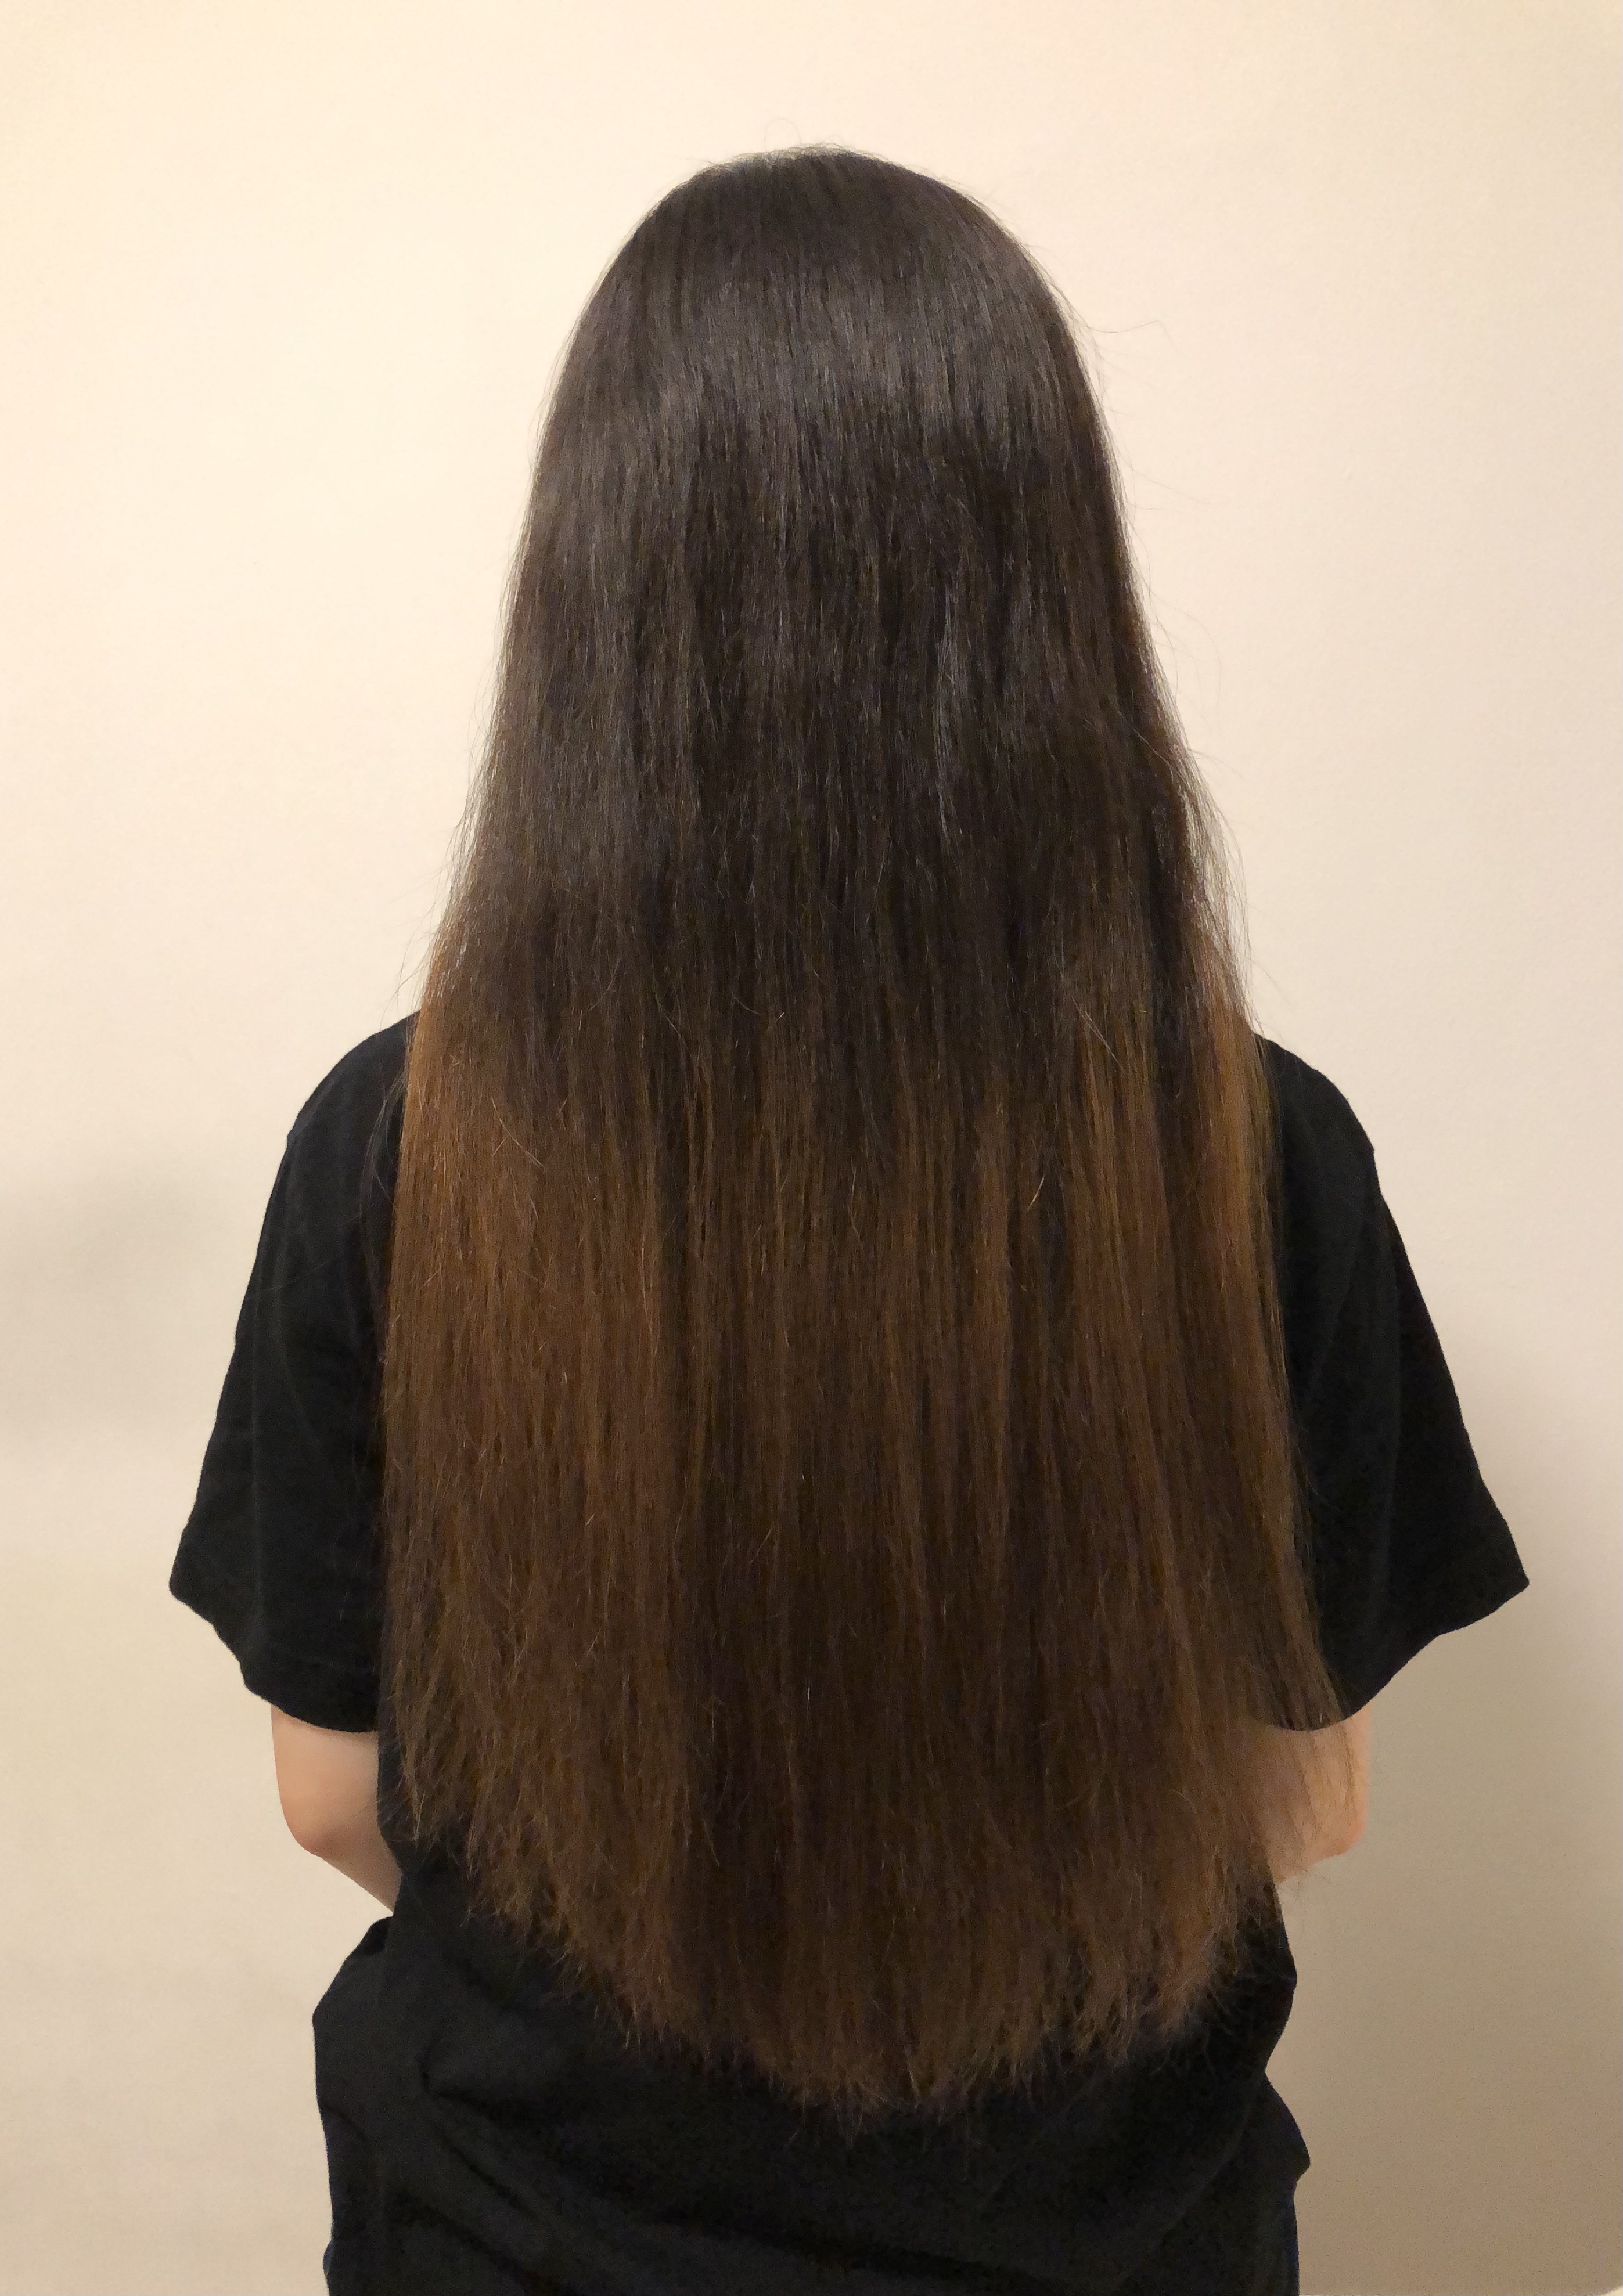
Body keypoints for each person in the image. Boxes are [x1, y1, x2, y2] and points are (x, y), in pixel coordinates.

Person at [169, 146, 1528, 2296]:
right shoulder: (1249, 1150)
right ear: (1049, 601)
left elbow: (337, 1797)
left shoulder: (398, 1149)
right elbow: (1302, 1796)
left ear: (597, 605)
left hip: (522, 2235)